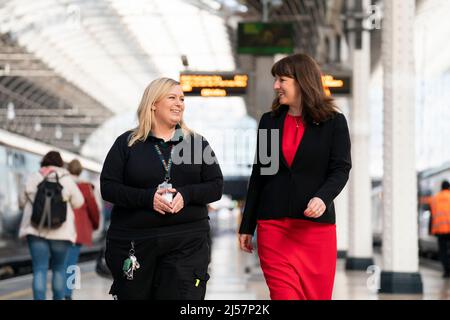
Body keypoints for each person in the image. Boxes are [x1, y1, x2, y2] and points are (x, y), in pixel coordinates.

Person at [238, 53, 352, 300]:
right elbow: (261, 174)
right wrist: (247, 225)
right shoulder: (270, 121)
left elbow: (341, 169)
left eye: (282, 79)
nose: (276, 86)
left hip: (315, 231)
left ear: (302, 81)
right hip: (273, 228)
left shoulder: (334, 122)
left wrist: (323, 198)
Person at [101, 77, 223, 300]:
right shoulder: (127, 143)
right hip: (135, 245)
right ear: (153, 103)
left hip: (187, 243)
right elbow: (108, 188)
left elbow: (216, 186)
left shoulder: (196, 143)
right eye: (172, 97)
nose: (180, 103)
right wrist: (148, 198)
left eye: (182, 99)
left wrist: (187, 195)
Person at [18, 151, 84, 300]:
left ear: (43, 162)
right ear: (60, 164)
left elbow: (21, 203)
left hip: (36, 231)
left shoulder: (33, 177)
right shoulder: (66, 179)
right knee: (59, 270)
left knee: (39, 269)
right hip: (61, 232)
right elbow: (79, 202)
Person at [64, 159, 101, 299]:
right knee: (72, 263)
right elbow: (93, 209)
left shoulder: (63, 183)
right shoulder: (86, 187)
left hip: (61, 229)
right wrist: (95, 225)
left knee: (61, 261)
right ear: (80, 171)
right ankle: (68, 294)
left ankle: (60, 290)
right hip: (78, 230)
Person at [430, 180, 450, 278]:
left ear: (441, 188)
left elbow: (432, 215)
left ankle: (447, 271)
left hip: (440, 230)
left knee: (443, 251)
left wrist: (432, 231)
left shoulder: (435, 198)